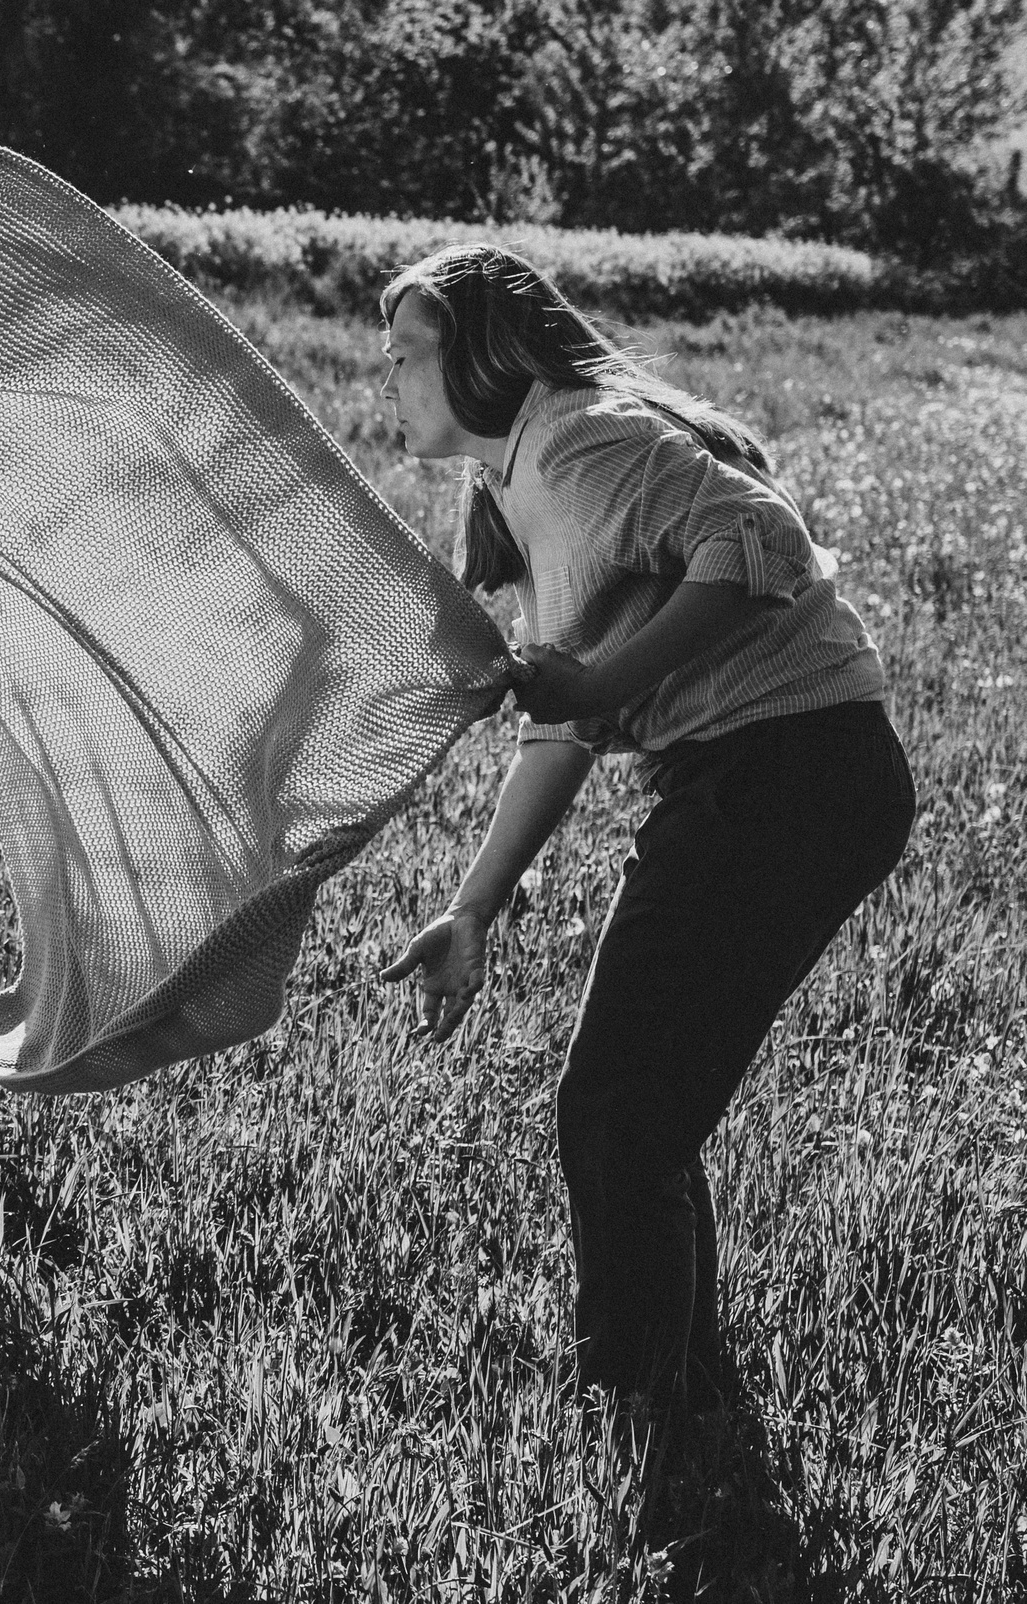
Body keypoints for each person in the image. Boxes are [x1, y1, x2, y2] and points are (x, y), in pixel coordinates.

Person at [376, 245, 913, 1406]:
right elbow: (560, 728)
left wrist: (605, 675)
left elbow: (754, 540)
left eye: (408, 355)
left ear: (483, 355)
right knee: (637, 1104)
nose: (391, 380)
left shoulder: (578, 440)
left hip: (790, 771)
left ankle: (640, 1405)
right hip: (756, 780)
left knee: (620, 1103)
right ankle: (675, 1392)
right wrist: (471, 905)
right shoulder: (516, 485)